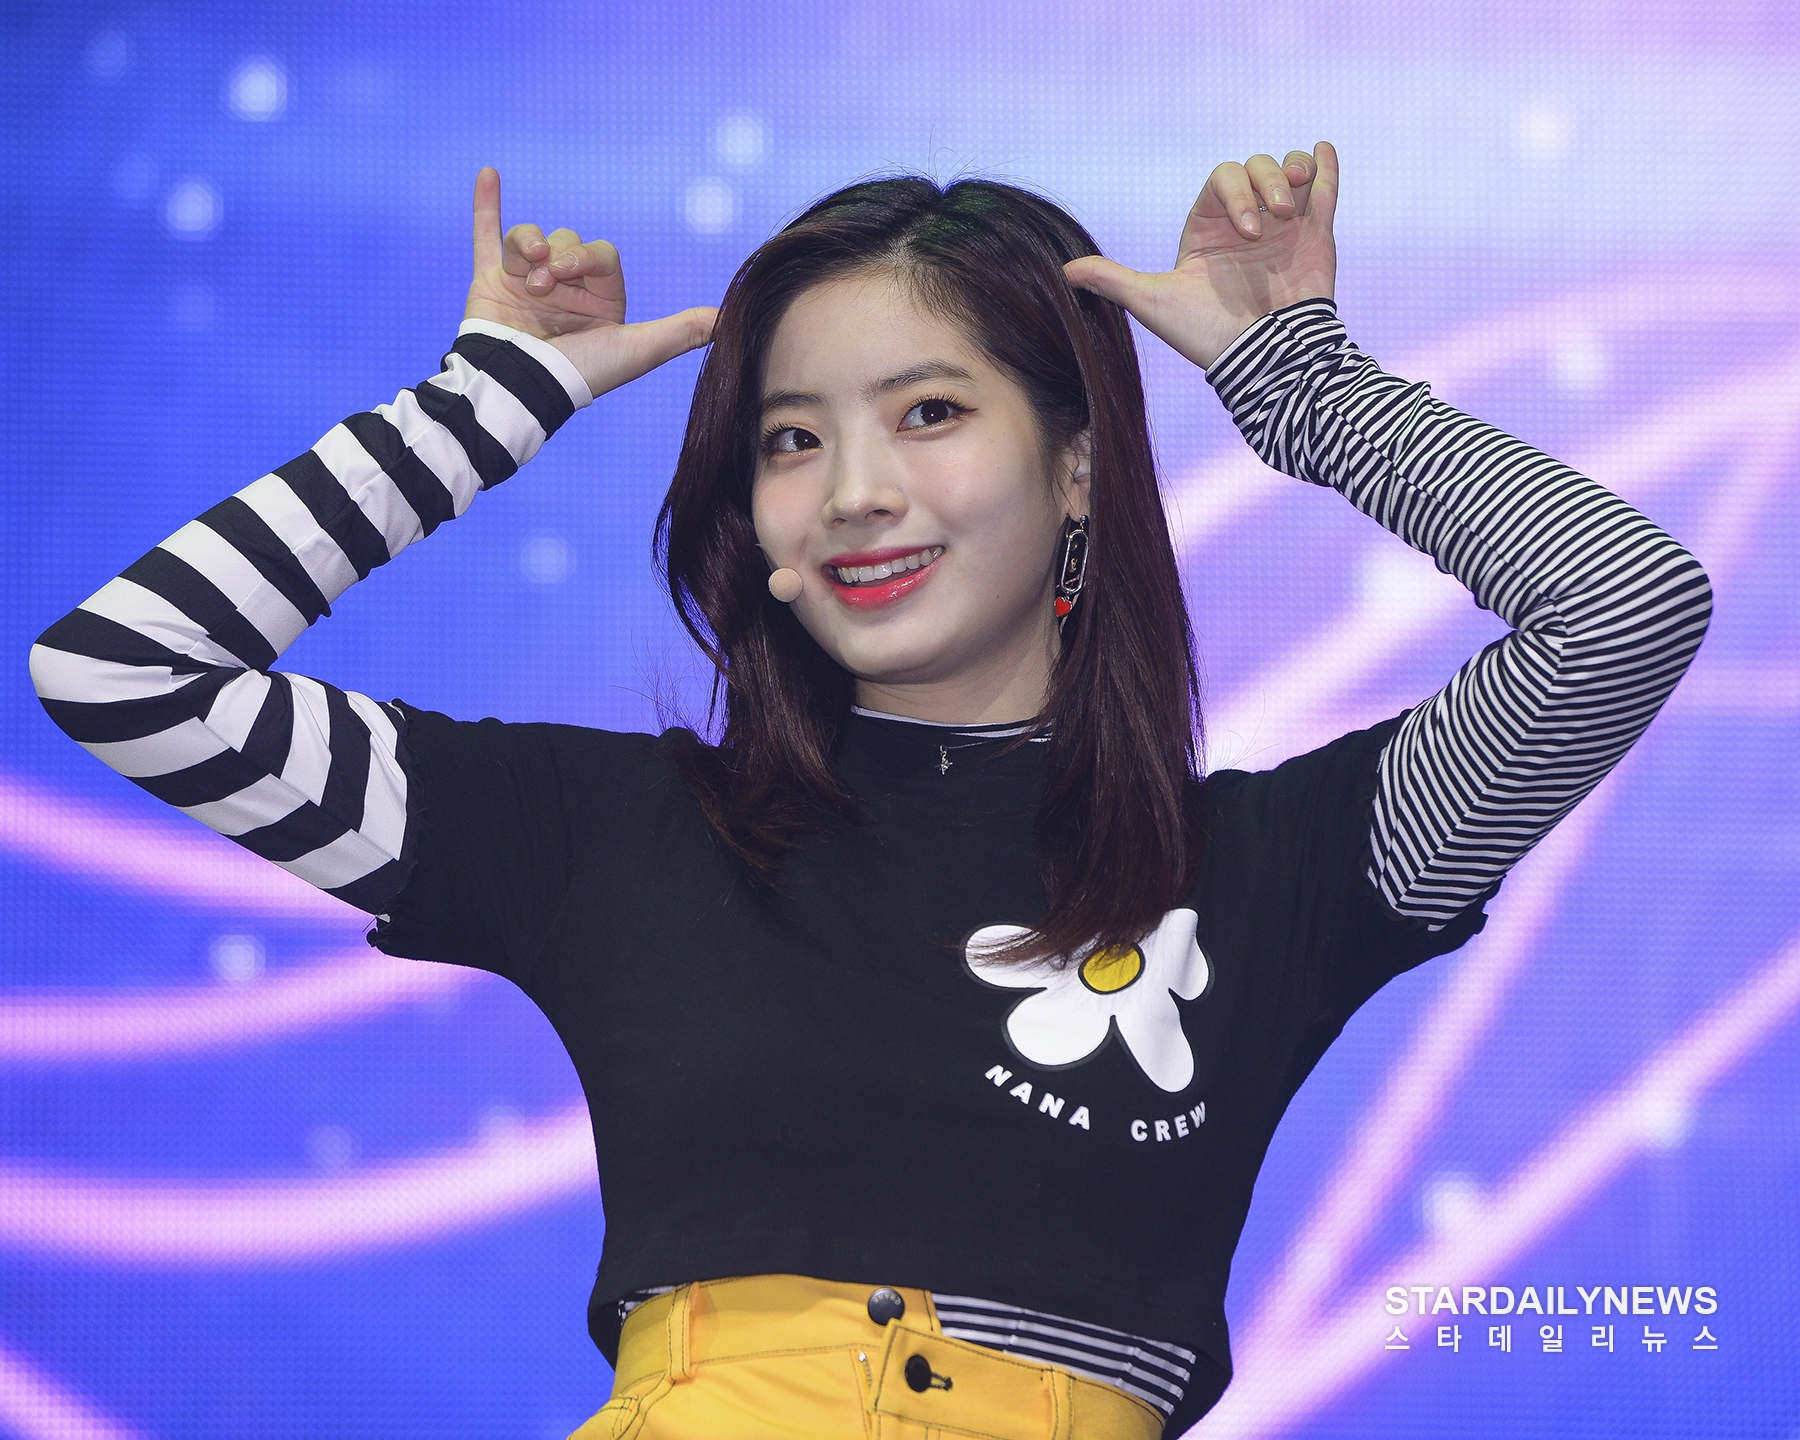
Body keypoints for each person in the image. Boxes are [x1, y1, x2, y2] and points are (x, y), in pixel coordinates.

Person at [29, 143, 1711, 1439]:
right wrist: (489, 401)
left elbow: (1625, 611)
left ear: (1077, 466)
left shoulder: (1283, 866)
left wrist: (1296, 377)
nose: (854, 492)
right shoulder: (599, 832)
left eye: (929, 413)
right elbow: (126, 673)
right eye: (792, 439)